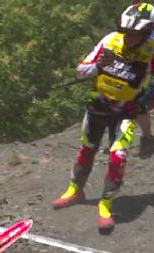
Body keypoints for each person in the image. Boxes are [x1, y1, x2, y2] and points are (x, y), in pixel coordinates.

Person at [53, 3, 154, 232]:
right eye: (126, 32)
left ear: (146, 32)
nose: (128, 38)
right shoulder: (110, 40)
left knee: (118, 156)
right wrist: (98, 67)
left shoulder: (151, 50)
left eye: (135, 34)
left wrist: (146, 102)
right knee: (87, 149)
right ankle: (75, 190)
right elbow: (81, 69)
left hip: (127, 111)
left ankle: (106, 205)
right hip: (98, 105)